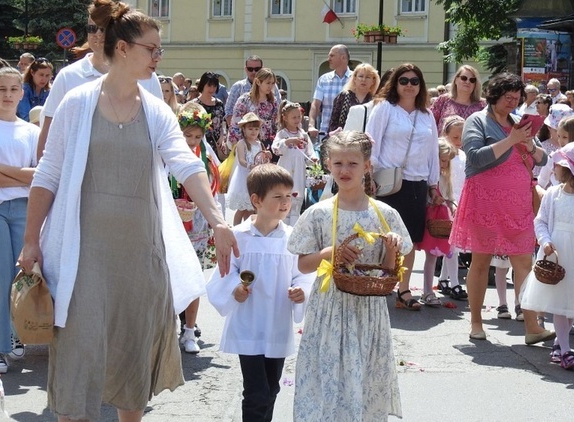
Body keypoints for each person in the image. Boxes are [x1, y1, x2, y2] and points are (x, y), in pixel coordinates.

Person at [18, 4, 238, 420]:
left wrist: (218, 220)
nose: (158, 57)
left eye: (160, 50)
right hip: (82, 259)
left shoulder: (156, 110)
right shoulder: (77, 103)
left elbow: (187, 164)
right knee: (77, 361)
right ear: (122, 48)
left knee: (132, 361)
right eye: (151, 49)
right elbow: (47, 173)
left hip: (141, 258)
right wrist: (31, 240)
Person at [287, 130, 412, 421]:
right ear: (328, 164)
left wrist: (391, 248)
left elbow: (386, 267)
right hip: (329, 307)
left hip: (368, 309)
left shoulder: (384, 214)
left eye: (353, 164)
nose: (345, 170)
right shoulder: (318, 213)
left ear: (367, 166)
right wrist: (331, 253)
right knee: (328, 375)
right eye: (338, 163)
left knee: (363, 376)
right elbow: (304, 265)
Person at [448, 72, 553, 343]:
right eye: (508, 98)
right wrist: (511, 140)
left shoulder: (519, 121)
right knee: (481, 261)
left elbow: (542, 159)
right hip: (485, 198)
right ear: (495, 95)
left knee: (523, 262)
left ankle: (532, 325)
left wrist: (529, 145)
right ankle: (476, 322)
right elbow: (475, 157)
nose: (512, 103)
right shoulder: (477, 120)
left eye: (517, 99)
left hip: (517, 202)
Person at [207, 163, 313, 422]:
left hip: (277, 323)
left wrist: (302, 291)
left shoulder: (292, 238)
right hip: (249, 324)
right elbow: (224, 272)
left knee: (272, 388)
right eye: (277, 197)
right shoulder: (238, 236)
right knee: (256, 393)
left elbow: (303, 272)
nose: (285, 202)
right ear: (256, 200)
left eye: (289, 196)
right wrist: (235, 289)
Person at [37, 0, 163, 160]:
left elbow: (161, 136)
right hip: (77, 178)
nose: (97, 34)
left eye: (103, 28)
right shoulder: (68, 76)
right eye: (91, 28)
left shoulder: (147, 78)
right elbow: (48, 137)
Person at [365, 63, 440, 311]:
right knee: (383, 237)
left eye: (414, 81)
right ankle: (378, 282)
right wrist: (369, 176)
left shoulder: (426, 115)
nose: (409, 85)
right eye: (404, 81)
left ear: (421, 86)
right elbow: (371, 141)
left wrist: (433, 184)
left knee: (410, 239)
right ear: (395, 84)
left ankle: (404, 289)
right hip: (387, 181)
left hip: (416, 181)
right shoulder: (385, 108)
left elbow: (432, 152)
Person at [520, 141, 574, 369]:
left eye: (558, 164)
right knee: (558, 302)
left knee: (571, 302)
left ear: (569, 169)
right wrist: (545, 241)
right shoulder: (553, 194)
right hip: (558, 253)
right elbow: (541, 221)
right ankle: (566, 350)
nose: (554, 168)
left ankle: (560, 343)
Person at [0, 67, 40, 372]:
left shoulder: (32, 132)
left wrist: (2, 169)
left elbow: (41, 175)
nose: (8, 95)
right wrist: (23, 176)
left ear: (21, 94)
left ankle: (16, 334)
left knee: (21, 277)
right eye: (2, 89)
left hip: (25, 209)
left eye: (13, 89)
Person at [169, 103, 220, 354]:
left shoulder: (206, 158)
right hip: (170, 223)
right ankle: (166, 329)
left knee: (193, 274)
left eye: (197, 136)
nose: (192, 140)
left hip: (196, 224)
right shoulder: (166, 155)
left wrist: (216, 221)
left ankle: (189, 331)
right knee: (168, 275)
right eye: (187, 135)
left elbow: (213, 191)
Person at [416, 139, 457, 306]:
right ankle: (427, 290)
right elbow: (426, 198)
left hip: (440, 219)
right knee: (429, 255)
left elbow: (449, 196)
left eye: (447, 161)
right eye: (442, 159)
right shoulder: (428, 177)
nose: (445, 164)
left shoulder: (445, 177)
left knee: (433, 255)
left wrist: (451, 205)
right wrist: (433, 199)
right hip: (429, 218)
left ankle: (428, 290)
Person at [436, 116, 468, 301]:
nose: (459, 141)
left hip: (458, 203)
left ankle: (444, 279)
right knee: (452, 247)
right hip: (447, 204)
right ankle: (455, 283)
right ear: (445, 134)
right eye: (455, 137)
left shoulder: (462, 155)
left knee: (453, 246)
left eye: (462, 137)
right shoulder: (443, 155)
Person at [272, 101, 317, 225]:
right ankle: (281, 225)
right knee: (284, 196)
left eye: (299, 116)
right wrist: (287, 142)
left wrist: (312, 159)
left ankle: (294, 228)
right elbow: (275, 149)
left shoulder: (303, 135)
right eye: (294, 117)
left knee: (296, 199)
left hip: (299, 172)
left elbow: (309, 152)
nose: (297, 119)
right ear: (285, 118)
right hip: (285, 170)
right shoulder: (282, 134)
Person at [228, 112, 271, 225]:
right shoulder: (242, 143)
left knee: (252, 207)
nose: (253, 132)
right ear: (244, 129)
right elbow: (241, 160)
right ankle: (236, 229)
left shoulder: (259, 144)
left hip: (255, 178)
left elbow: (262, 159)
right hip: (244, 178)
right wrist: (251, 166)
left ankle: (248, 228)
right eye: (250, 129)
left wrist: (267, 157)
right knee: (242, 208)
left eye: (256, 129)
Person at [228, 68, 279, 156]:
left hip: (266, 144)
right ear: (258, 82)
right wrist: (237, 144)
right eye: (268, 83)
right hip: (247, 144)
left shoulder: (273, 102)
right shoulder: (244, 100)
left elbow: (275, 124)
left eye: (272, 83)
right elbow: (235, 124)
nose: (270, 86)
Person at [307, 45, 352, 143]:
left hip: (349, 134)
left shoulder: (355, 79)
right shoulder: (324, 79)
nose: (329, 59)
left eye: (332, 56)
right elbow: (315, 104)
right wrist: (311, 125)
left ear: (343, 57)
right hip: (326, 133)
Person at [225, 55, 282, 127]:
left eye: (257, 69)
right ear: (245, 69)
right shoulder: (238, 87)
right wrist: (239, 131)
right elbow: (229, 112)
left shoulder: (273, 87)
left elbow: (278, 111)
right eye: (250, 69)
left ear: (262, 68)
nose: (254, 72)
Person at [537, 115, 574, 188]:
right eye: (558, 136)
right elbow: (541, 182)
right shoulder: (554, 157)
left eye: (565, 137)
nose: (560, 141)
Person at [430, 65, 487, 132]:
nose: (468, 82)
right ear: (456, 80)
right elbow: (430, 123)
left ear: (475, 84)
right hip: (443, 141)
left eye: (472, 80)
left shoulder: (483, 105)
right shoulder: (443, 100)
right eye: (464, 78)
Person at [327, 62, 378, 132]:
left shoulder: (375, 101)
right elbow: (333, 123)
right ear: (354, 78)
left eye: (368, 77)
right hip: (344, 139)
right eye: (361, 76)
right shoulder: (344, 96)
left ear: (373, 81)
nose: (363, 80)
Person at [192, 71, 228, 162]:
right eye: (209, 85)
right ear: (203, 85)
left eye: (214, 86)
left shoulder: (219, 103)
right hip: (200, 143)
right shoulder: (194, 104)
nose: (212, 89)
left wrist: (222, 138)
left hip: (217, 143)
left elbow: (222, 123)